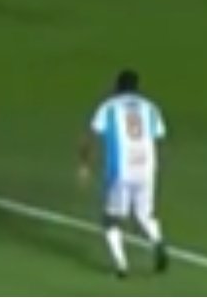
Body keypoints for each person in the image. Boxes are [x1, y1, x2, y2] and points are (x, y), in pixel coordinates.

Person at [79, 69, 168, 278]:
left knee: (110, 219)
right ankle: (157, 240)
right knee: (144, 214)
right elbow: (160, 137)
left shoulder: (108, 107)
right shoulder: (150, 107)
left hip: (120, 170)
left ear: (117, 86)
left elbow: (90, 137)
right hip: (147, 168)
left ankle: (121, 265)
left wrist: (84, 164)